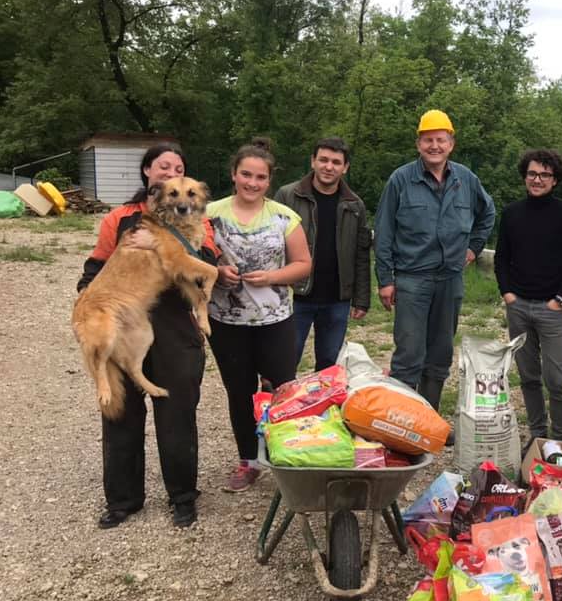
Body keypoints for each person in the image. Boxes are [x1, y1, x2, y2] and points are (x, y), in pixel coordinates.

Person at [77, 143, 219, 529]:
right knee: (120, 415)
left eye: (179, 168)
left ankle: (183, 498)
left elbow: (206, 265)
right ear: (148, 174)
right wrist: (88, 308)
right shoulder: (120, 218)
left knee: (177, 415)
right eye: (163, 167)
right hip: (125, 321)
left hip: (174, 324)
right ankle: (123, 500)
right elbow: (97, 267)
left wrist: (161, 245)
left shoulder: (196, 221)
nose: (171, 173)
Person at [374, 109, 495, 437]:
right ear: (418, 144)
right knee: (409, 353)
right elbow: (383, 231)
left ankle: (429, 425)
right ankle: (400, 424)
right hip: (412, 278)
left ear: (451, 144)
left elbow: (488, 213)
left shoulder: (465, 179)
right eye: (428, 139)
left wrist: (473, 248)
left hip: (450, 279)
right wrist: (385, 280)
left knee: (440, 353)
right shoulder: (401, 179)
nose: (435, 145)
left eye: (441, 140)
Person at [207, 140, 312, 492]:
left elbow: (303, 265)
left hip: (275, 320)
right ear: (233, 174)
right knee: (239, 392)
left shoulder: (284, 217)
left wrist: (271, 277)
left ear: (269, 181)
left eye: (260, 177)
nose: (252, 183)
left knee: (282, 391)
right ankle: (248, 461)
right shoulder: (210, 214)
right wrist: (217, 271)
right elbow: (192, 258)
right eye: (246, 175)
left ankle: (286, 458)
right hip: (225, 320)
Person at [494, 149, 562, 444]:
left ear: (555, 180)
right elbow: (501, 258)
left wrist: (560, 298)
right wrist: (507, 293)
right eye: (532, 174)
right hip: (518, 306)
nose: (537, 179)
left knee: (558, 379)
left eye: (545, 175)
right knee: (529, 376)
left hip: (552, 308)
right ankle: (537, 435)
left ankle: (559, 438)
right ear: (525, 177)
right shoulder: (511, 213)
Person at [274, 137, 371, 371]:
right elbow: (271, 248)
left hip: (336, 299)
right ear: (313, 162)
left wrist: (361, 298)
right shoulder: (288, 196)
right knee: (282, 363)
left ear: (345, 167)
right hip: (294, 296)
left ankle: (322, 409)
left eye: (336, 162)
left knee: (329, 367)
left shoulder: (354, 205)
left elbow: (361, 255)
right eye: (323, 160)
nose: (329, 167)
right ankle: (275, 407)